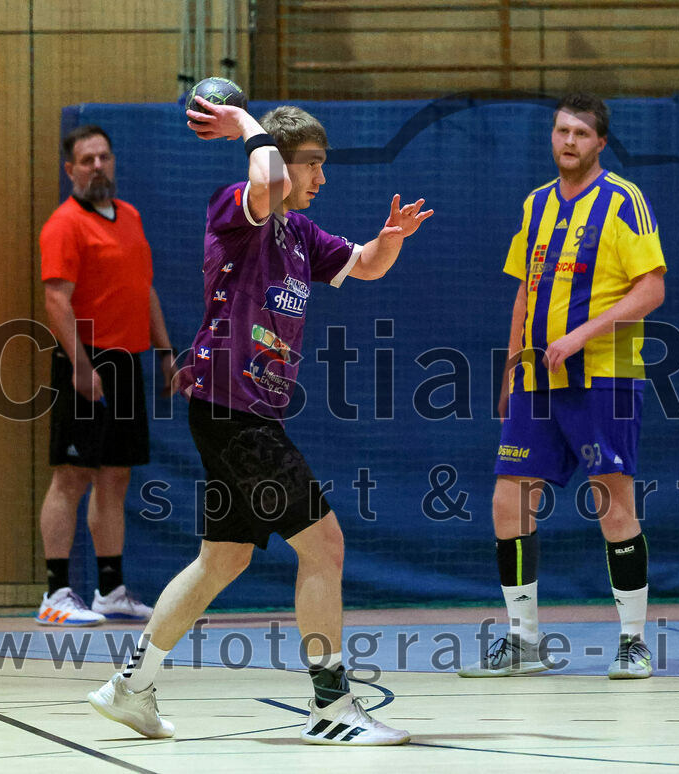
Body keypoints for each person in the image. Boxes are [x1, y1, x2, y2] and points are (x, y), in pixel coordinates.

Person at [87, 98, 431, 745]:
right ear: (279, 158)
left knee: (222, 560)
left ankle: (130, 688)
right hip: (232, 411)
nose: (320, 180)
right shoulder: (236, 211)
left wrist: (391, 239)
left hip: (237, 414)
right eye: (314, 165)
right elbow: (267, 181)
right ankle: (331, 708)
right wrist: (245, 123)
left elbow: (366, 265)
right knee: (324, 546)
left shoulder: (302, 238)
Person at [458, 93, 667, 680]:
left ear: (600, 142)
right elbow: (525, 291)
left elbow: (651, 290)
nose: (568, 141)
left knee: (612, 504)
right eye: (560, 131)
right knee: (508, 501)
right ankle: (523, 643)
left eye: (580, 133)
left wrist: (580, 337)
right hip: (535, 381)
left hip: (604, 377)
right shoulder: (536, 205)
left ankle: (633, 643)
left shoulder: (624, 200)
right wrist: (509, 370)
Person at [37, 125, 177, 627]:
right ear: (70, 169)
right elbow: (56, 298)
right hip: (84, 358)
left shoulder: (131, 217)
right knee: (71, 477)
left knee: (115, 477)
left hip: (126, 361)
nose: (97, 166)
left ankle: (111, 590)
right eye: (86, 159)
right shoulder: (64, 225)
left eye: (104, 157)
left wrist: (164, 353)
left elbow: (144, 288)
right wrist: (79, 365)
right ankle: (55, 594)